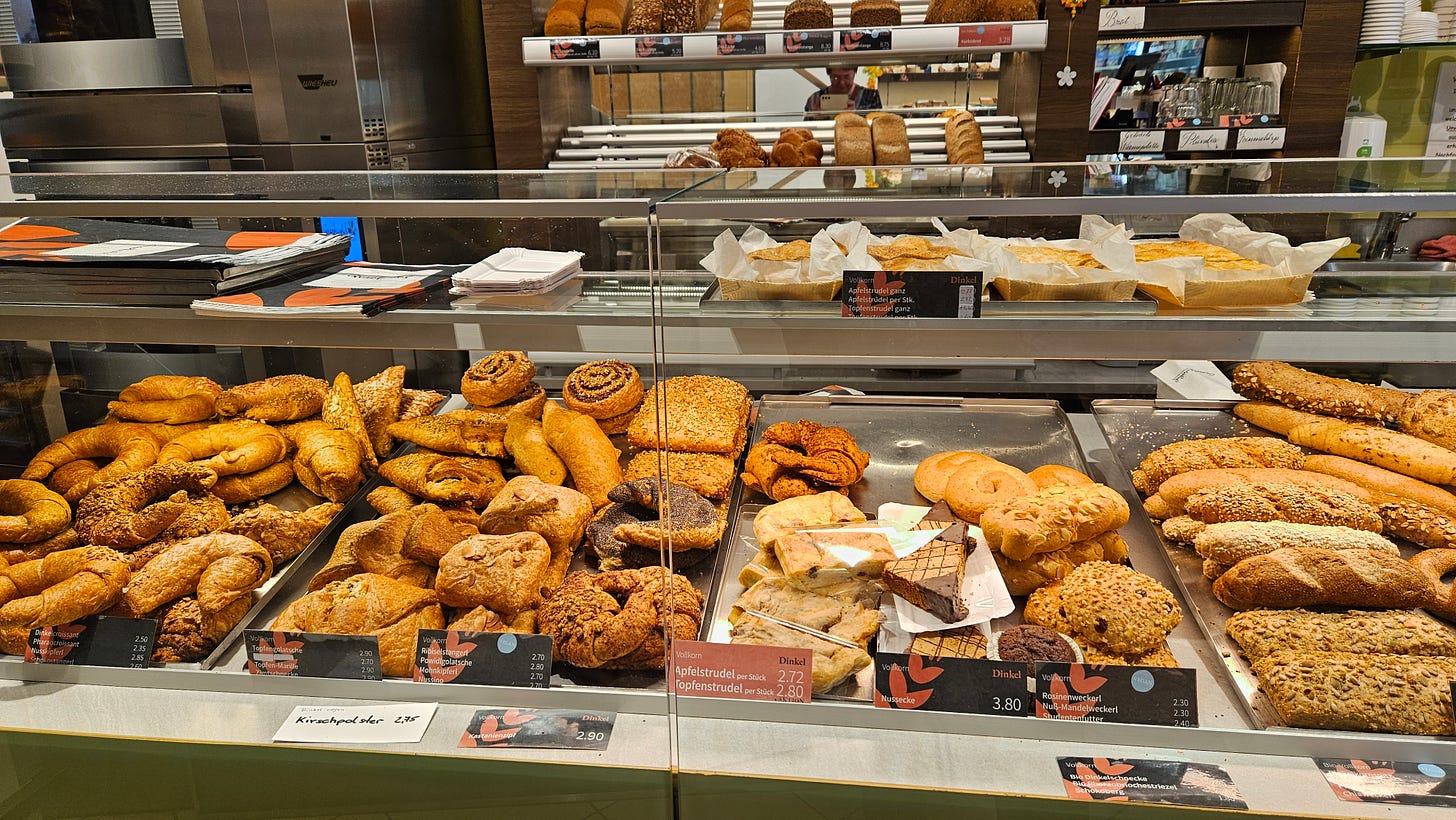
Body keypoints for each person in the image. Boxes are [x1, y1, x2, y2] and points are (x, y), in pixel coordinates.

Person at [804, 66, 883, 116]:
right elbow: (806, 132)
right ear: (829, 75)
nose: (842, 83)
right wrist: (816, 118)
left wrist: (855, 117)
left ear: (854, 73)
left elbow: (878, 127)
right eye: (835, 78)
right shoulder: (814, 100)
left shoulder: (871, 97)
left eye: (847, 77)